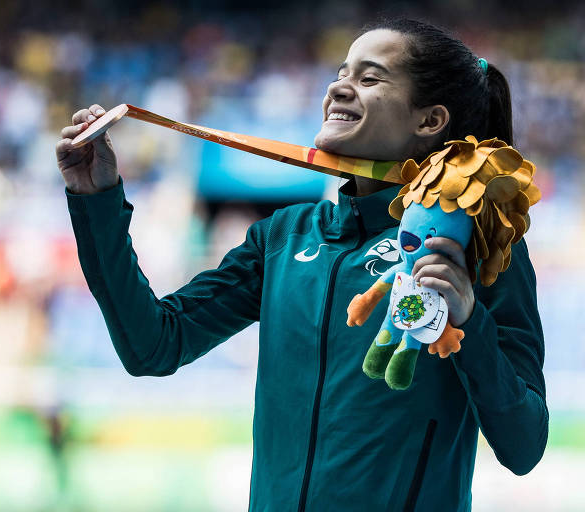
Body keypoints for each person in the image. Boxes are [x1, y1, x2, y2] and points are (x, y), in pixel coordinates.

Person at [56, 18, 547, 512]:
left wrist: (469, 322)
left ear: (430, 121)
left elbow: (524, 446)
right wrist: (95, 199)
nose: (338, 86)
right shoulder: (284, 236)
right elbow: (154, 347)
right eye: (341, 72)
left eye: (369, 78)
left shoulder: (480, 247)